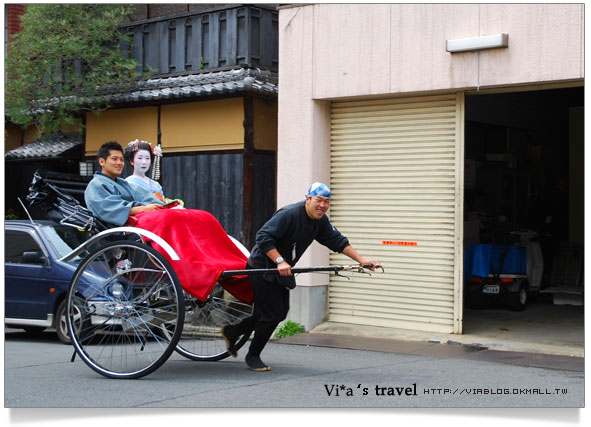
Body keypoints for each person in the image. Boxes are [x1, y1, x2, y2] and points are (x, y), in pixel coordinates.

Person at [221, 182, 380, 372]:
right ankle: (252, 355)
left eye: (326, 202)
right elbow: (263, 237)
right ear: (308, 199)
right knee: (272, 314)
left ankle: (234, 331)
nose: (322, 205)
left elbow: (337, 241)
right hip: (263, 267)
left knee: (276, 313)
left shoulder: (319, 221)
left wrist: (361, 260)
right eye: (318, 200)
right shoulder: (290, 214)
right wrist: (280, 260)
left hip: (283, 270)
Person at [85, 141, 164, 226]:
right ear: (101, 162)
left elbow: (143, 196)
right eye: (114, 159)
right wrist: (143, 208)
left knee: (173, 215)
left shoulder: (122, 183)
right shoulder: (96, 184)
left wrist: (163, 206)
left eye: (121, 160)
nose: (119, 163)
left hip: (139, 221)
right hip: (116, 231)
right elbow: (109, 209)